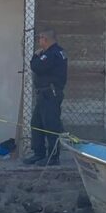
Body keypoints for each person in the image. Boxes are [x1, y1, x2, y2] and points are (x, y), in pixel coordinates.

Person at [23, 28, 68, 166]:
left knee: (50, 125)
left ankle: (53, 157)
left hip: (50, 94)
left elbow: (37, 67)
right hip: (44, 94)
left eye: (40, 38)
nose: (39, 41)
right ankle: (39, 153)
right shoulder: (51, 53)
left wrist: (36, 56)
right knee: (37, 123)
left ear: (46, 39)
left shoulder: (52, 54)